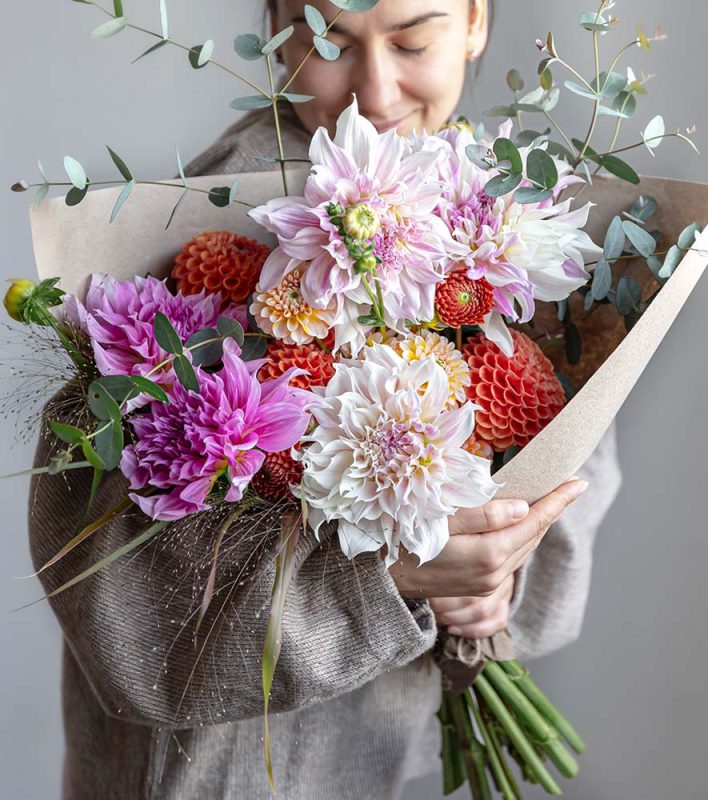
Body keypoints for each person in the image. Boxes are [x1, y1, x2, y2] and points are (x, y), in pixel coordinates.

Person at [28, 2, 622, 798]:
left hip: (380, 750)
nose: (373, 91)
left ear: (477, 20)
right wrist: (388, 580)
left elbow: (565, 447)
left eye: (413, 39)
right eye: (330, 40)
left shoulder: (505, 218)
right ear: (274, 21)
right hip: (213, 771)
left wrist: (498, 577)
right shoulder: (182, 240)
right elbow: (113, 596)